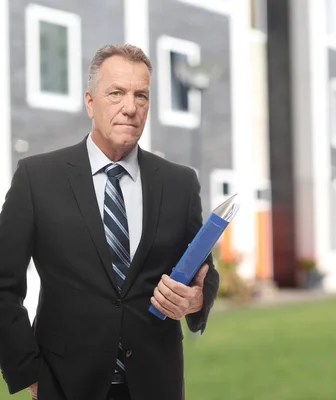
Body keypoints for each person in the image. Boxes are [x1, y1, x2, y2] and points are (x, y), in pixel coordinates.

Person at [0, 44, 220, 400]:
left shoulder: (179, 184)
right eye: (116, 93)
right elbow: (3, 285)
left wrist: (194, 300)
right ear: (90, 102)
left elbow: (203, 272)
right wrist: (28, 372)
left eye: (141, 96)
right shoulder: (36, 178)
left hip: (156, 385)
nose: (130, 107)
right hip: (64, 385)